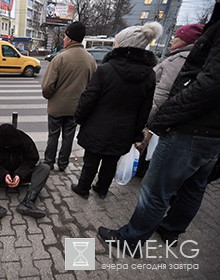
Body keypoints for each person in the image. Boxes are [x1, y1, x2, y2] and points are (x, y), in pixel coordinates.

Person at [98, 1, 220, 257]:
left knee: (156, 191)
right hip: (213, 133)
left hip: (191, 127)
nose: (174, 38)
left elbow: (204, 86)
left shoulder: (187, 54)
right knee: (194, 186)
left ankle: (130, 240)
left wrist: (163, 117)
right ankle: (171, 229)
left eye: (178, 36)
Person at [72, 22, 163, 199]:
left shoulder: (106, 69)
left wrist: (80, 117)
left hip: (97, 126)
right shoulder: (149, 75)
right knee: (110, 162)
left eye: (116, 42)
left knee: (90, 161)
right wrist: (136, 132)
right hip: (125, 129)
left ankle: (83, 188)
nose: (114, 44)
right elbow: (145, 108)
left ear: (125, 45)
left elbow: (88, 99)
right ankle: (102, 189)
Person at [135, 23, 204, 176]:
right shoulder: (181, 57)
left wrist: (148, 115)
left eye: (176, 37)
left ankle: (142, 171)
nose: (172, 40)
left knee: (147, 143)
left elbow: (162, 92)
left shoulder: (180, 60)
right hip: (164, 113)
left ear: (186, 41)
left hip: (158, 112)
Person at [42, 21, 97, 172]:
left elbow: (47, 86)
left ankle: (48, 163)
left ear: (70, 39)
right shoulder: (90, 60)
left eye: (65, 37)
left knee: (53, 135)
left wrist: (49, 96)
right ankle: (63, 164)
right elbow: (92, 87)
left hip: (57, 107)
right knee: (69, 136)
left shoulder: (60, 58)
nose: (64, 40)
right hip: (76, 108)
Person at [0, 124, 50, 229]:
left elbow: (32, 159)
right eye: (4, 147)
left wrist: (19, 174)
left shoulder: (25, 140)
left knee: (44, 168)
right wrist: (3, 174)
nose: (7, 148)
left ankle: (28, 202)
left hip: (22, 176)